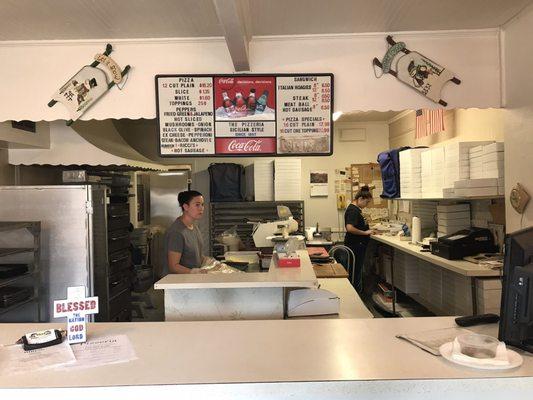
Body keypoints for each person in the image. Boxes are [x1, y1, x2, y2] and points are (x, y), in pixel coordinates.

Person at [164, 190, 208, 274]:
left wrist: (209, 262)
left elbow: (195, 254)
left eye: (202, 205)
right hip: (178, 283)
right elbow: (173, 266)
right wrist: (193, 271)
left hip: (192, 281)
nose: (201, 208)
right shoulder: (176, 232)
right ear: (186, 207)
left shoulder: (194, 226)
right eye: (197, 205)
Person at [344, 186, 375, 294]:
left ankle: (356, 294)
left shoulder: (356, 209)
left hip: (358, 244)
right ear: (360, 198)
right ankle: (355, 295)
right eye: (366, 202)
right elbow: (350, 228)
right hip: (355, 245)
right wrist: (365, 233)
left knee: (356, 271)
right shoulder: (353, 210)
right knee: (355, 272)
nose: (366, 205)